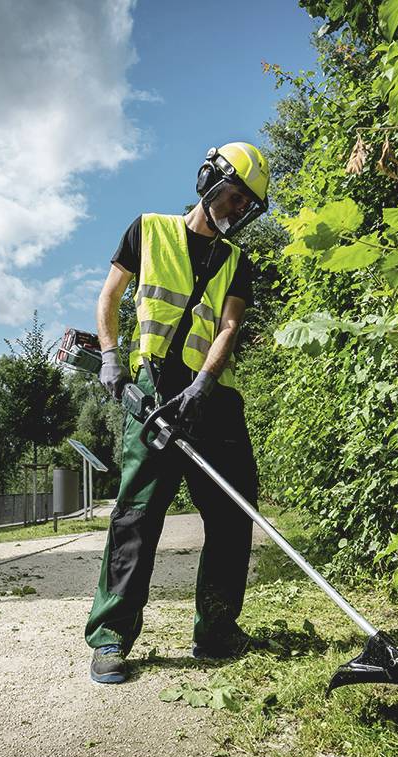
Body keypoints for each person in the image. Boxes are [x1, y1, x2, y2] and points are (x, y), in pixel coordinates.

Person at [85, 142, 269, 684]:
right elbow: (110, 295)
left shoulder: (238, 261)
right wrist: (112, 358)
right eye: (234, 196)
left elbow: (229, 326)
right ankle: (113, 636)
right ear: (208, 179)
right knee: (137, 515)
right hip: (152, 388)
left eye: (245, 206)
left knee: (233, 515)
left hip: (213, 399)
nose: (236, 210)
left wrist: (206, 383)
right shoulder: (147, 230)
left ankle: (215, 631)